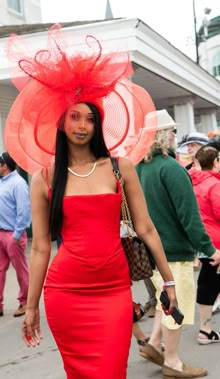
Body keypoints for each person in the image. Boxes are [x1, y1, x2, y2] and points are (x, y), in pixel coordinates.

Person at [4, 24, 177, 379]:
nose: (82, 125)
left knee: (113, 371)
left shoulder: (119, 168)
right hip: (65, 293)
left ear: (98, 124)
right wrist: (32, 305)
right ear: (61, 122)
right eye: (74, 117)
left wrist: (169, 282)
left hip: (113, 292)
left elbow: (145, 227)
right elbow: (39, 249)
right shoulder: (45, 177)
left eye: (89, 118)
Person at [135, 109, 220, 379]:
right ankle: (172, 362)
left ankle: (153, 344)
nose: (176, 136)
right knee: (176, 306)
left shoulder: (138, 167)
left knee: (165, 303)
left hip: (150, 253)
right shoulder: (171, 168)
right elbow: (189, 217)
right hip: (174, 252)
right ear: (163, 135)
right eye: (173, 131)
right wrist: (210, 249)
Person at [189, 146, 220, 345]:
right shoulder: (214, 185)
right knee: (210, 282)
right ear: (216, 162)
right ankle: (205, 329)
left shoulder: (193, 183)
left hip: (206, 240)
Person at [0, 152, 31, 317]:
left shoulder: (18, 184)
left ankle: (25, 303)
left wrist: (17, 235)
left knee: (21, 270)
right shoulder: (1, 183)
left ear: (5, 166)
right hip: (1, 233)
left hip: (13, 234)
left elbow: (23, 211)